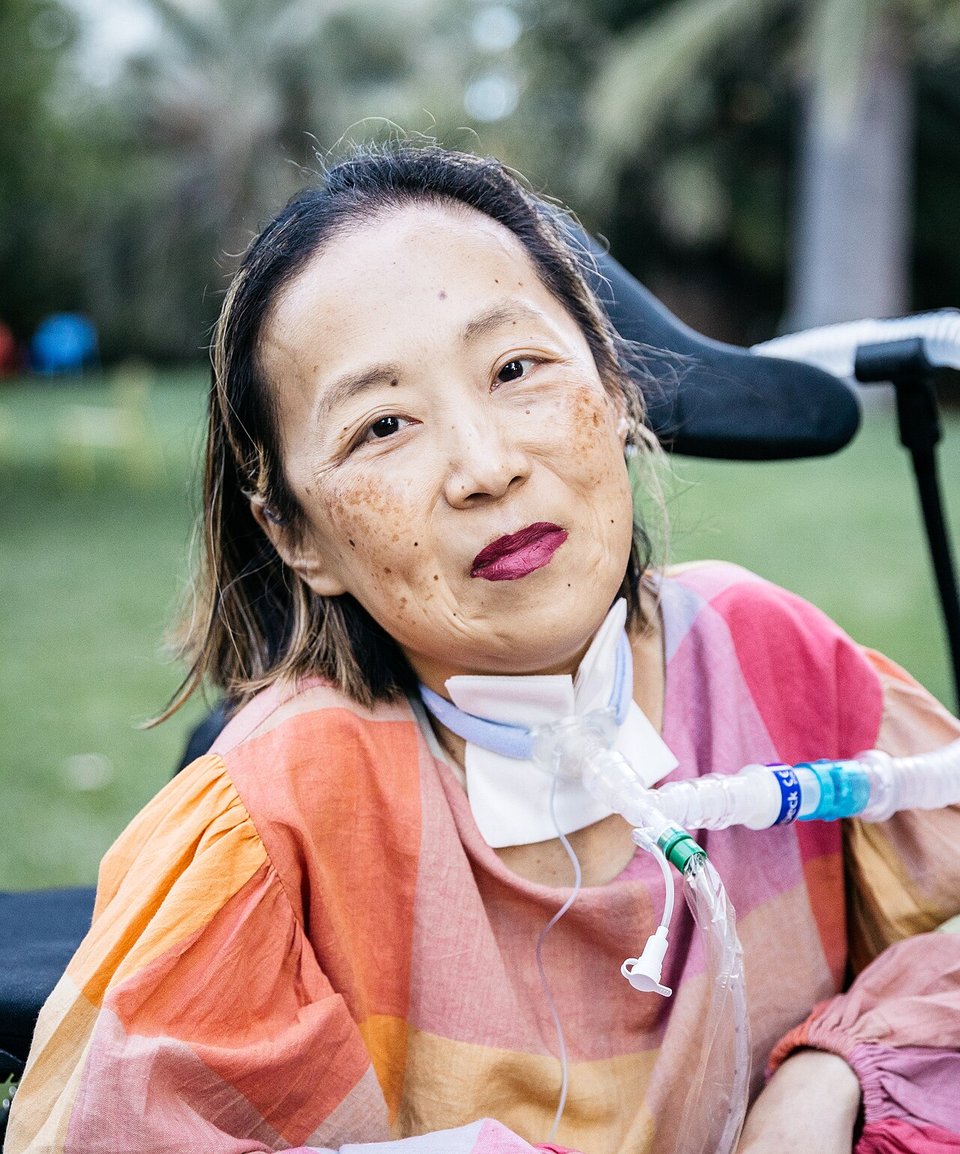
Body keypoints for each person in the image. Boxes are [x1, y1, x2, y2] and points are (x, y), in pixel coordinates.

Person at [6, 143, 960, 1154]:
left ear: (615, 384)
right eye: (382, 426)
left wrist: (834, 1067)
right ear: (295, 534)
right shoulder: (271, 818)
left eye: (517, 368)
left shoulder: (775, 661)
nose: (486, 466)